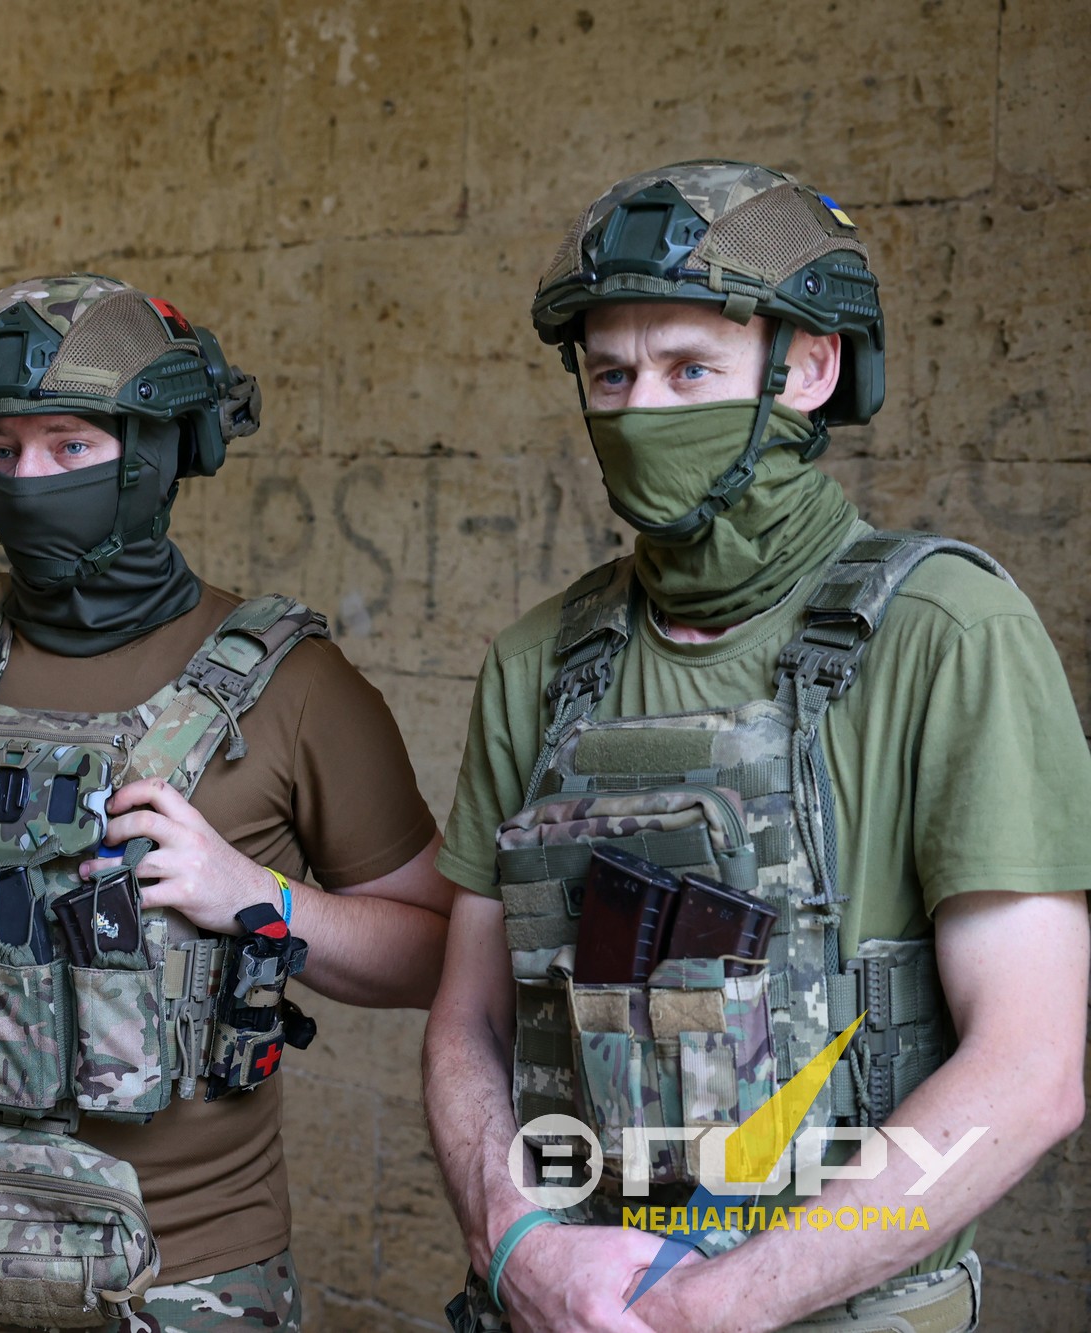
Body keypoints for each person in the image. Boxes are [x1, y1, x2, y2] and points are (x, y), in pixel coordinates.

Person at [422, 162, 1090, 1332]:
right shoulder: (538, 660)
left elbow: (1028, 1074)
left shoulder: (946, 633)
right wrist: (515, 1241)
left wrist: (714, 1305)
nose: (640, 411)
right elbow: (466, 1021)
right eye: (611, 375)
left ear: (808, 369)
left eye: (688, 370)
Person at [0, 273, 452, 1331]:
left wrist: (254, 896)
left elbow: (438, 952)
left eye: (69, 445)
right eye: (1, 451)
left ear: (155, 452)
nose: (28, 480)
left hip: (184, 1280)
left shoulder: (294, 687)